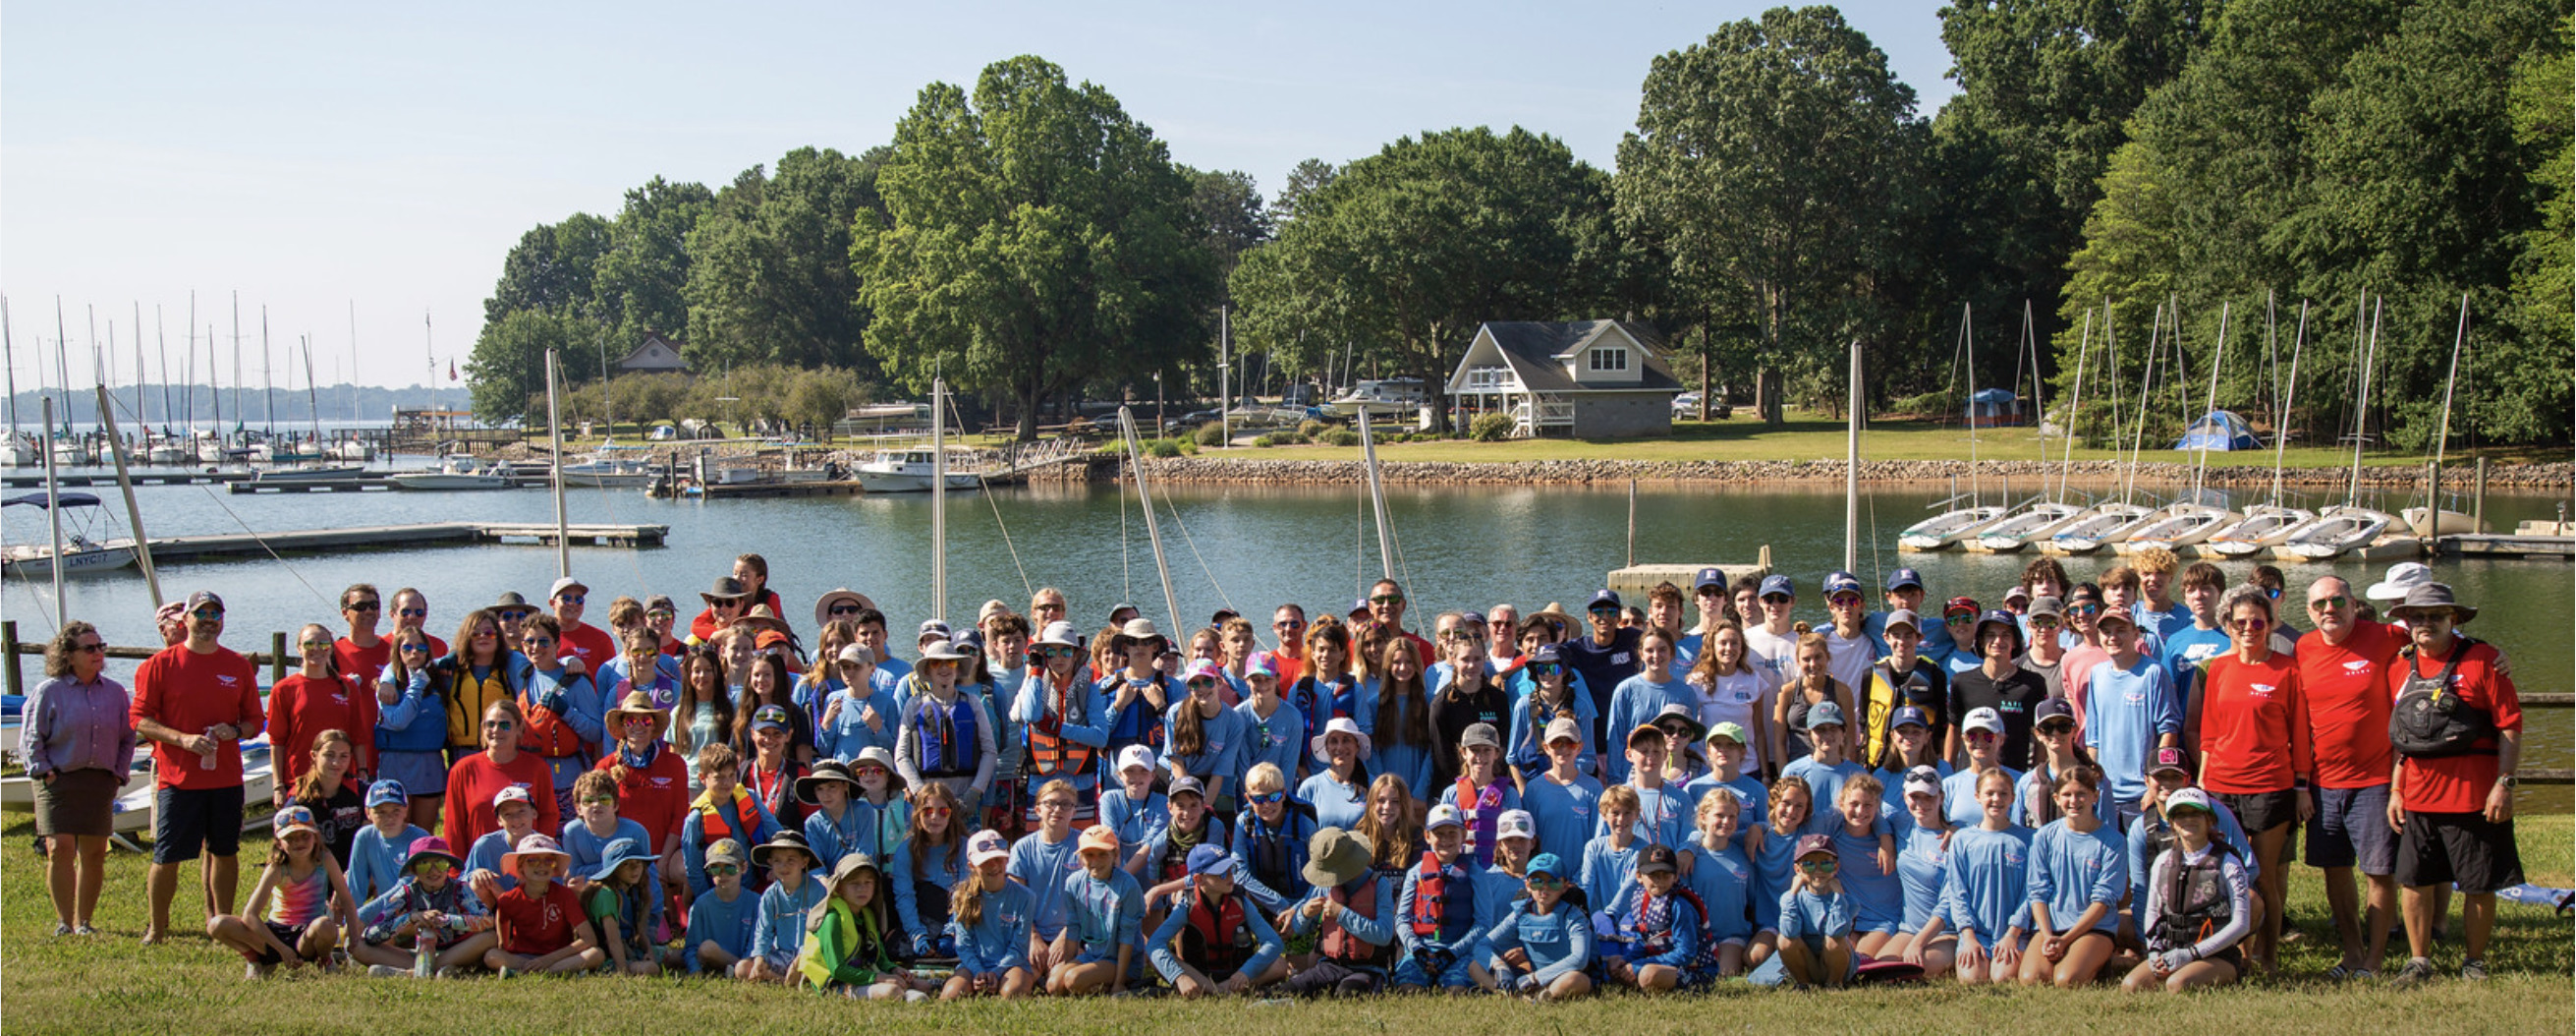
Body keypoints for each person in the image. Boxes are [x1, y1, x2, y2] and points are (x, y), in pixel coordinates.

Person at [2384, 583, 2522, 986]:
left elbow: (2510, 725)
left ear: (2453, 620)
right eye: (2418, 616)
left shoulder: (2483, 661)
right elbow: (2402, 738)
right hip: (2418, 795)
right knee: (2413, 880)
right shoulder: (2399, 667)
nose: (2426, 623)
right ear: (2407, 622)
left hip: (2473, 796)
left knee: (2479, 884)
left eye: (2436, 616)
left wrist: (2504, 784)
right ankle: (2419, 960)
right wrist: (2396, 789)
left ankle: (2474, 961)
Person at [131, 590, 266, 944]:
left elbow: (255, 720)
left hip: (225, 778)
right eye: (200, 613)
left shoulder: (236, 665)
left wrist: (234, 731)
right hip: (178, 779)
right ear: (185, 619)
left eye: (215, 614)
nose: (208, 620)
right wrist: (183, 740)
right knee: (167, 855)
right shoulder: (158, 665)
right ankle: (157, 928)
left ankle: (223, 924)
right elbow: (140, 720)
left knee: (225, 851)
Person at [2194, 583, 2312, 972]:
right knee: (2230, 876)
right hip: (2222, 788)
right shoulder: (2218, 668)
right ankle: (2236, 954)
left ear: (2270, 625)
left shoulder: (2287, 670)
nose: (2249, 629)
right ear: (2228, 624)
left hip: (2270, 788)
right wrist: (2202, 784)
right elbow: (2209, 733)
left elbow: (2300, 734)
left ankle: (2269, 956)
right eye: (2240, 622)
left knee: (2264, 878)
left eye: (2257, 622)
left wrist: (2301, 787)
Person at [2295, 574, 2404, 979]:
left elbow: (2441, 637)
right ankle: (2353, 952)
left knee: (2378, 871)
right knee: (2334, 869)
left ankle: (2375, 961)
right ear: (2309, 611)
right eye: (2320, 603)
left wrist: (2485, 652)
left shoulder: (2387, 636)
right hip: (2323, 784)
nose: (2329, 610)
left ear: (2352, 602)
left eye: (2337, 601)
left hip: (2374, 780)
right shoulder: (2303, 649)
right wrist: (2302, 783)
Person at [22, 620, 136, 937]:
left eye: (101, 646)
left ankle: (85, 922)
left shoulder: (115, 693)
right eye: (90, 648)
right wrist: (45, 772)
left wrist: (118, 773)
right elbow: (32, 739)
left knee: (95, 852)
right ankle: (64, 922)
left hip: (99, 781)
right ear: (69, 655)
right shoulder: (48, 691)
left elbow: (128, 737)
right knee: (60, 848)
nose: (98, 653)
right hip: (58, 779)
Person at [2122, 788, 2252, 993]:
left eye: (2195, 814)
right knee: (2131, 986)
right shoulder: (2163, 861)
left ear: (2209, 819)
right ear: (2172, 822)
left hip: (2217, 955)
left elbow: (2241, 924)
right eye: (2181, 815)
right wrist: (2154, 949)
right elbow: (2153, 911)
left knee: (2177, 984)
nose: (2188, 820)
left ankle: (2224, 975)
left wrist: (2192, 953)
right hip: (2170, 950)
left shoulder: (2228, 862)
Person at [208, 806, 359, 978]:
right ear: (279, 842)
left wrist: (354, 940)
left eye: (304, 836)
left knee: (325, 925)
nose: (299, 842)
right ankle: (255, 958)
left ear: (316, 837)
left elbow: (346, 900)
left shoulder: (325, 859)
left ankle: (324, 959)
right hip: (276, 932)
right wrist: (282, 949)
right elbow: (250, 915)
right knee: (217, 924)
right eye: (290, 838)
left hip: (308, 934)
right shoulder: (277, 868)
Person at [2020, 768, 2125, 987]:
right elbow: (2037, 891)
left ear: (2095, 797)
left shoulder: (2114, 842)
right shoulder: (2044, 836)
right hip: (2052, 925)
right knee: (2032, 980)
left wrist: (2067, 940)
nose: (2074, 801)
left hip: (2094, 927)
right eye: (2067, 795)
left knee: (2066, 980)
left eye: (2081, 794)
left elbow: (2103, 900)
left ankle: (2102, 962)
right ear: (2057, 799)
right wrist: (2048, 935)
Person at [2080, 607, 2180, 829]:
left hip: (2141, 793)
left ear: (2136, 634)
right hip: (2106, 793)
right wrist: (2094, 785)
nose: (2113, 637)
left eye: (2121, 630)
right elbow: (2093, 738)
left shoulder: (2154, 673)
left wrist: (2154, 785)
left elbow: (2169, 730)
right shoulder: (2097, 674)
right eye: (2106, 632)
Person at [351, 835, 496, 977]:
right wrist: (411, 918)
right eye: (424, 865)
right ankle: (431, 970)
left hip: (458, 951)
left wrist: (444, 920)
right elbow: (372, 934)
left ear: (448, 867)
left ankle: (416, 972)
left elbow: (487, 921)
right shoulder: (406, 893)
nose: (433, 871)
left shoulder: (460, 889)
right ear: (413, 870)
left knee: (491, 937)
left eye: (440, 864)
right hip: (420, 952)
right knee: (358, 946)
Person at [1941, 768, 2034, 986]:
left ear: (2012, 797)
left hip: (2013, 933)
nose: (1996, 799)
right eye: (1989, 793)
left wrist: (2013, 934)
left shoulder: (2028, 840)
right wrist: (1969, 936)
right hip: (1976, 933)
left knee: (2002, 977)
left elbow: (2031, 892)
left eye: (2003, 794)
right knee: (1972, 980)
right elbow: (1957, 891)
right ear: (1977, 796)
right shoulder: (1963, 839)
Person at [1281, 826, 1399, 996]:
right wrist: (1304, 914)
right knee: (1288, 990)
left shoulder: (1379, 886)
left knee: (1347, 993)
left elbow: (1384, 934)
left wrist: (1342, 914)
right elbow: (1298, 929)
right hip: (1329, 966)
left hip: (1368, 969)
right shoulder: (1326, 887)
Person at [593, 691, 689, 898]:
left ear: (653, 725)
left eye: (645, 720)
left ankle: (688, 922)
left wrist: (662, 861)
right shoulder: (605, 766)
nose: (638, 726)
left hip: (666, 853)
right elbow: (599, 819)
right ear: (623, 726)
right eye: (630, 720)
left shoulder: (675, 764)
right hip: (622, 856)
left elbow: (680, 816)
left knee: (688, 869)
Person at [1013, 621, 1108, 819]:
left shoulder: (1088, 689)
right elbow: (1028, 715)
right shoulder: (1035, 684)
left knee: (1080, 844)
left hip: (1080, 781)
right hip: (1041, 781)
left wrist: (1058, 728)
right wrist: (1035, 674)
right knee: (1041, 841)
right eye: (1051, 652)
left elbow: (1100, 737)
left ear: (1075, 655)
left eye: (1065, 652)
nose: (1058, 658)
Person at [798, 851, 925, 999]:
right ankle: (903, 995)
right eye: (854, 883)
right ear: (839, 888)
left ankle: (906, 993)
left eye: (867, 883)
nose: (862, 889)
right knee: (891, 991)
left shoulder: (867, 915)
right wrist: (878, 978)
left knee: (922, 985)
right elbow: (838, 970)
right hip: (836, 984)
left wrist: (893, 969)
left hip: (863, 974)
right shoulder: (832, 919)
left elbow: (879, 957)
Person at [896, 640, 999, 819]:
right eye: (937, 663)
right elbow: (901, 755)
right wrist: (920, 793)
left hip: (966, 799)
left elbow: (990, 751)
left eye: (950, 663)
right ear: (928, 670)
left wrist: (975, 792)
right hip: (927, 800)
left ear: (958, 668)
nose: (944, 669)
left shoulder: (973, 703)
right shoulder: (914, 705)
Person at [269, 623, 372, 800]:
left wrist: (362, 771)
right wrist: (278, 786)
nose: (316, 649)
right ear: (299, 649)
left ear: (331, 649)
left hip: (341, 777)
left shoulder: (347, 686)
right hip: (299, 779)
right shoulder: (283, 689)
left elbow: (357, 735)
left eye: (323, 644)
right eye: (309, 644)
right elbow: (277, 741)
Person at [442, 701, 560, 851]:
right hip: (481, 867)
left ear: (519, 728)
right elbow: (454, 827)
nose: (496, 730)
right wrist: (458, 871)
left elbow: (548, 815)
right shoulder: (463, 770)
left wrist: (539, 852)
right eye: (490, 724)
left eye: (505, 725)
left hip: (527, 862)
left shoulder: (537, 767)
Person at [1392, 804, 1484, 991]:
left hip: (1459, 951)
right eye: (1439, 834)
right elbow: (1401, 919)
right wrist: (1416, 949)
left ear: (1464, 835)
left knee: (1456, 991)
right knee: (1408, 989)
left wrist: (1452, 953)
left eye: (1452, 833)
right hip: (1421, 949)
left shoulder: (1476, 873)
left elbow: (1484, 922)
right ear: (1427, 836)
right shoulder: (1415, 873)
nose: (1446, 840)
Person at [482, 834, 604, 974]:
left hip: (558, 956)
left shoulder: (565, 895)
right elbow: (502, 944)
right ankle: (551, 970)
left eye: (548, 861)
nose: (541, 865)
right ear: (521, 867)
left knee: (596, 953)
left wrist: (547, 960)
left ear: (554, 867)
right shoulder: (508, 899)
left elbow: (589, 939)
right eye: (532, 860)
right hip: (523, 956)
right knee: (491, 956)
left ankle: (526, 971)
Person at [1750, 834, 1856, 989]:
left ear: (1836, 868)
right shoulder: (1790, 899)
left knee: (1834, 940)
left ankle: (1834, 984)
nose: (1818, 871)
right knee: (1783, 939)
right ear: (1797, 869)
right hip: (1808, 963)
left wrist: (1839, 897)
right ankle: (1803, 983)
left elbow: (1838, 931)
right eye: (1809, 865)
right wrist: (1793, 893)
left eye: (1825, 864)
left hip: (1836, 963)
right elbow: (1789, 932)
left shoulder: (1847, 901)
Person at [1599, 842, 1708, 994]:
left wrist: (1639, 965)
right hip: (1658, 963)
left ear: (1676, 876)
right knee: (1615, 962)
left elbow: (1686, 953)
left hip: (1693, 970)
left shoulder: (1680, 906)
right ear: (1638, 876)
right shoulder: (1640, 901)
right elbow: (1643, 943)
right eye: (1653, 875)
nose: (1660, 881)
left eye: (1666, 875)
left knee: (1647, 975)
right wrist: (1628, 960)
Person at [1051, 824, 1147, 995]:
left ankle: (1116, 983)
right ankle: (1092, 984)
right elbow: (1073, 928)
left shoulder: (1128, 885)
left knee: (1073, 979)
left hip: (1120, 960)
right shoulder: (1074, 883)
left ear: (1115, 854)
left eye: (1103, 854)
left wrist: (1119, 983)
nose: (1095, 861)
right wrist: (1068, 965)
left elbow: (1127, 936)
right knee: (1054, 985)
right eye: (1089, 855)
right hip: (1092, 955)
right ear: (1080, 857)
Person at [372, 626, 450, 835]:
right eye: (407, 647)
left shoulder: (439, 682)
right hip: (395, 765)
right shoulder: (388, 687)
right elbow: (398, 721)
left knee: (423, 834)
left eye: (421, 647)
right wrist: (415, 685)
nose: (414, 652)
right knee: (395, 831)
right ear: (398, 650)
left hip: (429, 767)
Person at [1485, 851, 1593, 1000]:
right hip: (1528, 975)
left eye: (1553, 882)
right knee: (1474, 965)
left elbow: (1579, 959)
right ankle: (1504, 992)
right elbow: (1483, 944)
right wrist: (1499, 966)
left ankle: (1544, 997)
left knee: (1578, 979)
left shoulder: (1573, 916)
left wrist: (1536, 978)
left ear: (1565, 886)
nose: (1545, 888)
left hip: (1558, 977)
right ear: (1527, 885)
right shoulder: (1520, 912)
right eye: (1537, 882)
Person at [944, 829, 1037, 1000]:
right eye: (986, 861)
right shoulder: (962, 896)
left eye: (998, 859)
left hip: (1012, 964)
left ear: (1006, 860)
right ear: (972, 865)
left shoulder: (1025, 897)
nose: (994, 866)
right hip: (975, 965)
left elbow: (1019, 947)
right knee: (951, 995)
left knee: (1012, 992)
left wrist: (997, 971)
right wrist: (978, 971)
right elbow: (964, 945)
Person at [1881, 767, 1956, 979]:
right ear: (1905, 797)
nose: (1921, 804)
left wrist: (1919, 942)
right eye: (1915, 797)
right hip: (1908, 928)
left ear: (1941, 797)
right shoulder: (1899, 823)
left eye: (1929, 797)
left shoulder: (1954, 839)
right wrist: (1884, 839)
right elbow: (1874, 818)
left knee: (1905, 972)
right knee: (1878, 971)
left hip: (1947, 932)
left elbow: (1949, 903)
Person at [1007, 779, 1087, 975]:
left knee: (1057, 984)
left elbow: (1091, 900)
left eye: (1065, 804)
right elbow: (1016, 899)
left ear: (1074, 811)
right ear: (1037, 810)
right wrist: (1032, 938)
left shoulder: (1084, 844)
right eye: (1050, 803)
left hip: (1072, 932)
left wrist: (1066, 937)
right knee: (1014, 990)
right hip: (1031, 933)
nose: (1057, 809)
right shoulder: (1023, 848)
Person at [681, 743, 781, 896]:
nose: (727, 783)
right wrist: (710, 902)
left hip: (753, 886)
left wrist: (777, 865)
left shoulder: (750, 797)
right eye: (719, 778)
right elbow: (694, 871)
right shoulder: (695, 820)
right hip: (718, 893)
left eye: (731, 775)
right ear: (702, 778)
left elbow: (776, 834)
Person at [1948, 609, 2045, 766]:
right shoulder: (1961, 682)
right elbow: (1954, 731)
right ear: (1980, 641)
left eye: (2005, 635)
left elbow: (2041, 736)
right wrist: (1949, 772)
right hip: (1971, 777)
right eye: (1991, 635)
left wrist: (2037, 776)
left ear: (2015, 641)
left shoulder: (2032, 684)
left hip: (2014, 779)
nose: (1998, 641)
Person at [889, 782, 972, 958]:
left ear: (951, 814)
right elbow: (904, 896)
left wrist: (951, 932)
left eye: (943, 811)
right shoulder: (906, 849)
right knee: (894, 947)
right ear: (917, 815)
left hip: (957, 915)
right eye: (927, 811)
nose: (935, 817)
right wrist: (916, 934)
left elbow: (965, 893)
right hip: (922, 916)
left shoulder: (964, 846)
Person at [1683, 623, 1774, 779]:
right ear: (1712, 646)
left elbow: (1759, 731)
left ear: (1742, 647)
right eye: (1723, 643)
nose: (1728, 648)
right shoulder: (1697, 682)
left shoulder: (1753, 680)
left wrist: (1766, 774)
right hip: (1708, 769)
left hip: (1747, 769)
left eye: (1734, 643)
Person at [1681, 790, 1757, 978]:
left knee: (1724, 975)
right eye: (1719, 815)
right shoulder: (1690, 856)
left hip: (1732, 935)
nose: (1726, 821)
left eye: (1732, 816)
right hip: (1698, 936)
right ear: (1703, 817)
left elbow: (1754, 899)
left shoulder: (1743, 855)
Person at [436, 607, 526, 766]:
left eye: (489, 633)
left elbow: (544, 665)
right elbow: (416, 666)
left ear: (498, 637)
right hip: (462, 753)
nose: (483, 637)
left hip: (503, 752)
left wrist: (569, 661)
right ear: (467, 637)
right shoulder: (451, 670)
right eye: (475, 633)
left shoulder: (510, 668)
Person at [1857, 609, 1946, 768]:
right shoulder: (1870, 675)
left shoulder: (1935, 675)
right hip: (1879, 763)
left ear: (1920, 638)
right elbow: (1864, 721)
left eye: (1908, 635)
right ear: (1886, 638)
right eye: (1896, 635)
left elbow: (1941, 726)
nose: (1902, 641)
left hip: (1921, 762)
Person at [1602, 631, 1693, 783]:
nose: (1656, 655)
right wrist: (1614, 780)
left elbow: (1691, 740)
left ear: (1672, 653)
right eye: (1650, 650)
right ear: (1641, 654)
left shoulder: (1686, 692)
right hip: (1632, 775)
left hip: (1673, 777)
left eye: (1662, 649)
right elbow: (1615, 739)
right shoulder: (1626, 689)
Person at [1164, 661, 1248, 817]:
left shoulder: (1234, 721)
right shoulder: (1175, 713)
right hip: (1178, 776)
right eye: (1195, 684)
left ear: (1219, 682)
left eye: (1208, 682)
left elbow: (1220, 772)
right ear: (1189, 689)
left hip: (1212, 778)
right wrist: (1189, 806)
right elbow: (1176, 763)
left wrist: (1202, 810)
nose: (1201, 689)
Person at [1361, 639, 1438, 807]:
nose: (1403, 668)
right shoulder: (1375, 705)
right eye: (1397, 662)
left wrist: (1420, 793)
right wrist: (1383, 788)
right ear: (1388, 665)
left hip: (1418, 793)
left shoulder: (1430, 703)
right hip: (1384, 794)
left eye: (1409, 662)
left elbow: (1433, 752)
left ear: (1417, 664)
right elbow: (1370, 751)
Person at [742, 832, 827, 981]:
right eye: (777, 861)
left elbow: (818, 933)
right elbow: (764, 931)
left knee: (815, 969)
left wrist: (800, 959)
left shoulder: (816, 890)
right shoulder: (769, 895)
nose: (784, 866)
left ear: (804, 862)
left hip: (810, 954)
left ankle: (784, 979)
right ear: (770, 863)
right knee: (742, 968)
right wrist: (759, 959)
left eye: (791, 860)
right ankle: (784, 979)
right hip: (782, 954)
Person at [1426, 633, 1507, 790]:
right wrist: (1464, 787)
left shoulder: (1498, 699)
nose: (1471, 665)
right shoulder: (1441, 703)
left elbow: (1503, 745)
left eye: (1477, 659)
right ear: (1454, 660)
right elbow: (1441, 756)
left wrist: (1491, 782)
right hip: (1454, 785)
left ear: (1485, 659)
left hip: (1493, 784)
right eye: (1465, 659)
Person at [1231, 762, 1317, 910]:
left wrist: (1299, 911)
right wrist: (1281, 906)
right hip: (1261, 901)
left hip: (1301, 903)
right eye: (1258, 799)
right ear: (1248, 798)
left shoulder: (1305, 824)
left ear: (1284, 794)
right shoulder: (1244, 823)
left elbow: (1321, 873)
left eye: (1274, 797)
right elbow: (1239, 872)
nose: (1267, 805)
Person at [1521, 717, 1604, 865]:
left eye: (1570, 743)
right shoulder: (1533, 789)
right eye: (1556, 743)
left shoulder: (1594, 788)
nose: (1563, 749)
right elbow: (1529, 839)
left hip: (1581, 880)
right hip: (1545, 879)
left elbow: (1598, 839)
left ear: (1579, 747)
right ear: (1546, 747)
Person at [1562, 590, 1643, 742]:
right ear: (1589, 616)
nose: (1605, 617)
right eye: (1598, 612)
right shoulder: (1575, 649)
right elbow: (1541, 657)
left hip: (1628, 736)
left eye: (1611, 612)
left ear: (1619, 616)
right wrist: (1505, 674)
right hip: (1592, 737)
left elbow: (1663, 641)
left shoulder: (1632, 639)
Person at [1508, 644, 1598, 780]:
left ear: (1565, 671)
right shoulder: (1524, 705)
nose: (1547, 674)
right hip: (1531, 784)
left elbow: (1588, 760)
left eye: (1554, 668)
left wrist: (1561, 778)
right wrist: (1523, 793)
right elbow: (1512, 758)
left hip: (1571, 784)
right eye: (1542, 668)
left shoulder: (1580, 706)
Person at [582, 836, 665, 974]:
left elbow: (640, 932)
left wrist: (649, 952)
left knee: (680, 956)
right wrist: (623, 970)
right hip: (609, 957)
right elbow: (613, 940)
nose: (634, 869)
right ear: (613, 870)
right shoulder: (606, 894)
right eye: (626, 864)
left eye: (638, 862)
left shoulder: (634, 890)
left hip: (631, 949)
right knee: (650, 969)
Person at [1770, 629, 1854, 769]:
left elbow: (1849, 739)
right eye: (1806, 659)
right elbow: (1779, 742)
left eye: (1818, 657)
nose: (1813, 664)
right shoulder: (1787, 692)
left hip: (1833, 768)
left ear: (1828, 657)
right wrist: (1784, 778)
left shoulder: (1841, 691)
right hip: (1797, 769)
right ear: (1797, 661)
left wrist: (1845, 771)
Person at [286, 729, 367, 867]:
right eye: (329, 755)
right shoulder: (299, 800)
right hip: (315, 874)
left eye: (344, 756)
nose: (336, 763)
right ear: (313, 756)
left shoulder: (361, 790)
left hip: (357, 870)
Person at [1287, 622, 1359, 772]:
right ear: (1312, 653)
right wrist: (1302, 772)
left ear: (1342, 654)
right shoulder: (1299, 689)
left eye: (1332, 650)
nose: (1325, 655)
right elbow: (1291, 734)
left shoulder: (1354, 689)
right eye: (1321, 650)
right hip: (1306, 770)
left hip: (1344, 769)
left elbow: (1364, 729)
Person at [681, 838, 758, 976]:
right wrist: (695, 970)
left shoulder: (756, 902)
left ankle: (740, 969)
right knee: (707, 949)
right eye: (715, 869)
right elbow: (692, 947)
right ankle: (737, 970)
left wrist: (747, 961)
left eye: (730, 868)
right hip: (710, 960)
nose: (723, 874)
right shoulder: (701, 905)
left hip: (746, 960)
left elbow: (755, 943)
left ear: (744, 868)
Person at [347, 779, 430, 905]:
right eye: (381, 812)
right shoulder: (364, 837)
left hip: (418, 910)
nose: (389, 818)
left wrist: (364, 915)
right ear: (367, 813)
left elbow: (407, 888)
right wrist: (352, 921)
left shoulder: (420, 839)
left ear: (406, 810)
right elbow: (356, 886)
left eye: (396, 810)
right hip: (385, 911)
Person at [1943, 708, 2024, 828]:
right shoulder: (1949, 785)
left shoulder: (2020, 782)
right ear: (1964, 740)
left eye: (1988, 736)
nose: (1980, 741)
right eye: (1972, 736)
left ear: (2001, 739)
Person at [1299, 718, 1373, 833]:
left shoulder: (1373, 785)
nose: (1340, 747)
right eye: (1334, 741)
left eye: (1346, 740)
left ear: (1357, 746)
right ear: (1327, 747)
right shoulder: (1310, 787)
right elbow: (1301, 833)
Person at [332, 583, 393, 688]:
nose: (369, 611)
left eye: (374, 606)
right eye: (361, 607)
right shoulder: (332, 652)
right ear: (345, 613)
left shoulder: (394, 651)